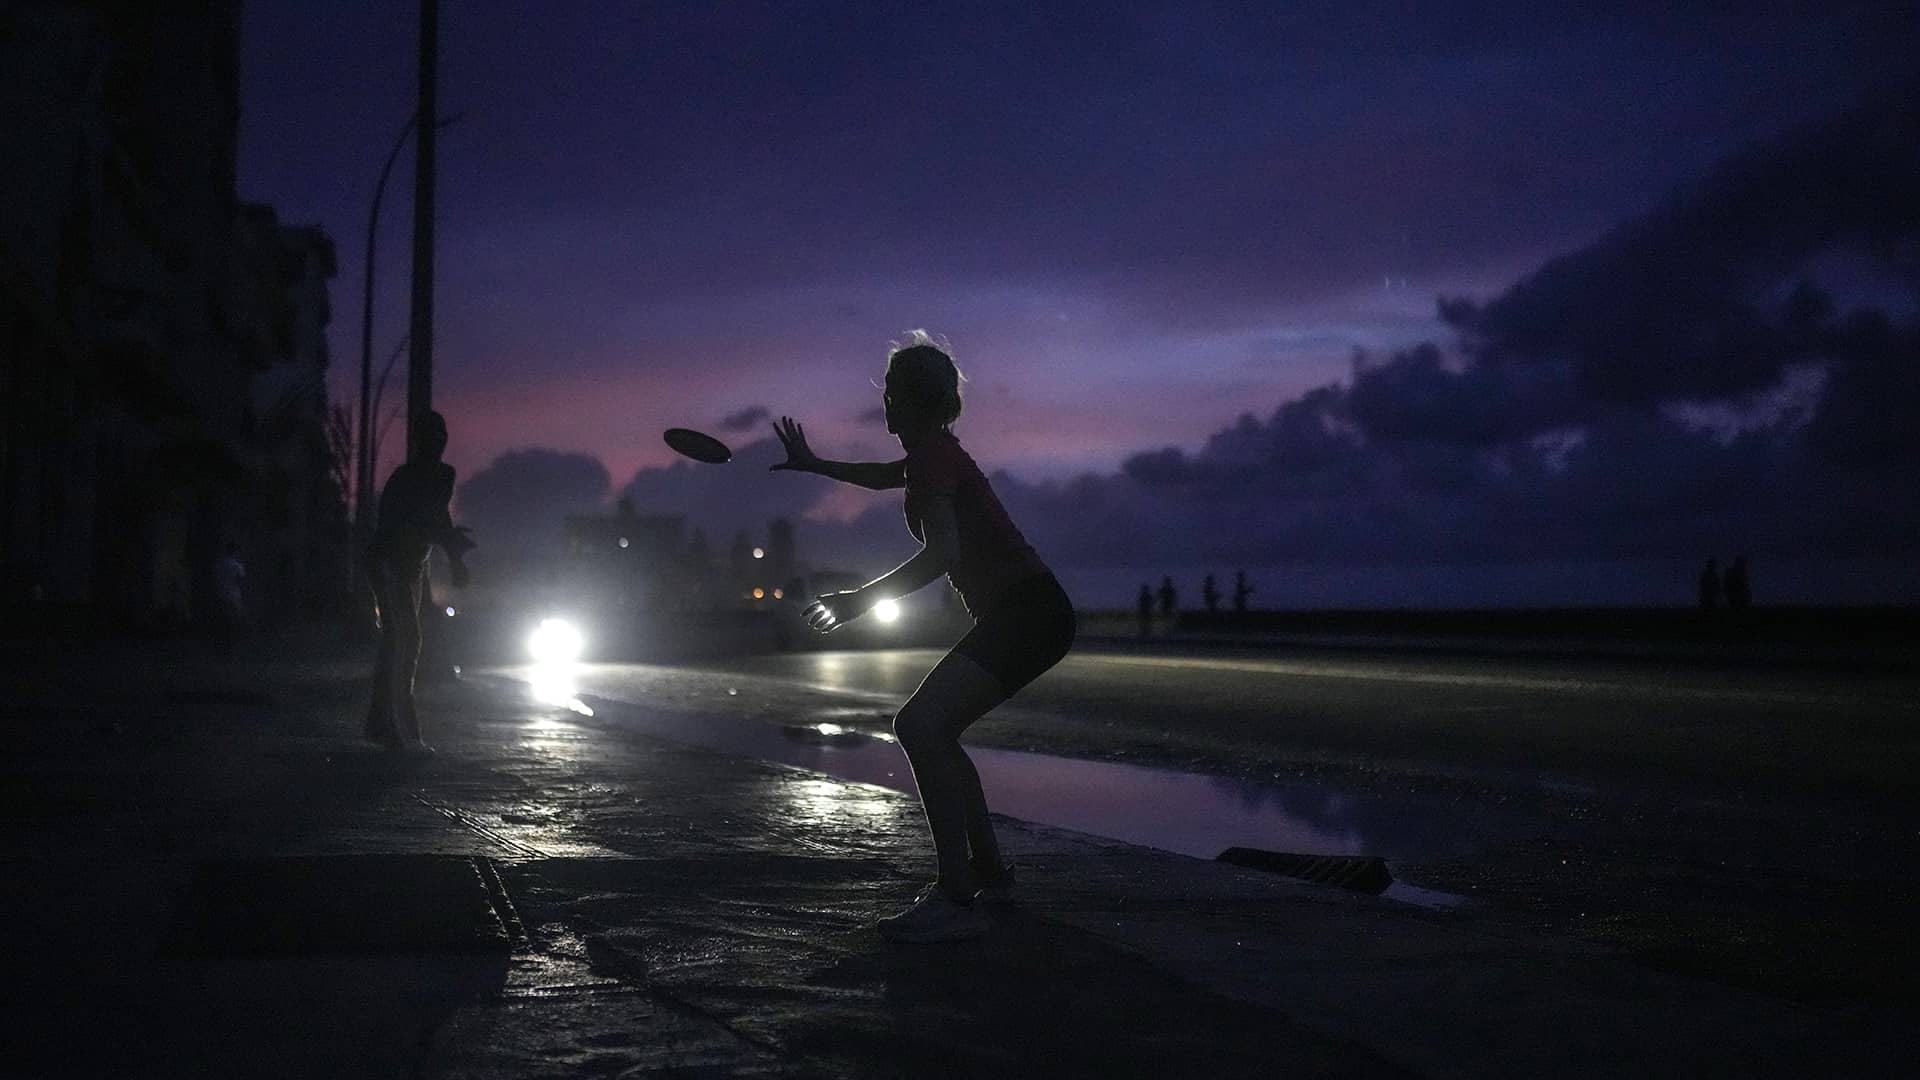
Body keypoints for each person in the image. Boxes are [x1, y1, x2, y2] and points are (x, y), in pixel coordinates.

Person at [770, 331, 1075, 943]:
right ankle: (989, 875)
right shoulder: (933, 455)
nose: (882, 404)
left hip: (1028, 614)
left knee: (919, 726)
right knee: (938, 730)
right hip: (1030, 614)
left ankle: (955, 895)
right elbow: (885, 475)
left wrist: (858, 601)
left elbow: (941, 554)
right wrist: (816, 464)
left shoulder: (935, 458)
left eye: (888, 392)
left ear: (912, 400)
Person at [364, 411, 473, 753]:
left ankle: (383, 724)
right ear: (417, 442)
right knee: (404, 641)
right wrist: (448, 543)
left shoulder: (443, 475)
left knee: (399, 643)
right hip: (390, 562)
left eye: (441, 436)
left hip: (413, 564)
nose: (437, 443)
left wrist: (455, 558)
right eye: (430, 437)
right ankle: (401, 730)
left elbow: (439, 518)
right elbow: (408, 526)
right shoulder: (404, 478)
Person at [212, 541, 247, 652]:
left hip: (221, 594)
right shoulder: (237, 565)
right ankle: (232, 644)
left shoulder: (219, 564)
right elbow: (241, 581)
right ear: (235, 551)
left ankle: (221, 644)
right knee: (234, 620)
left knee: (222, 620)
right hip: (233, 596)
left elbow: (215, 579)